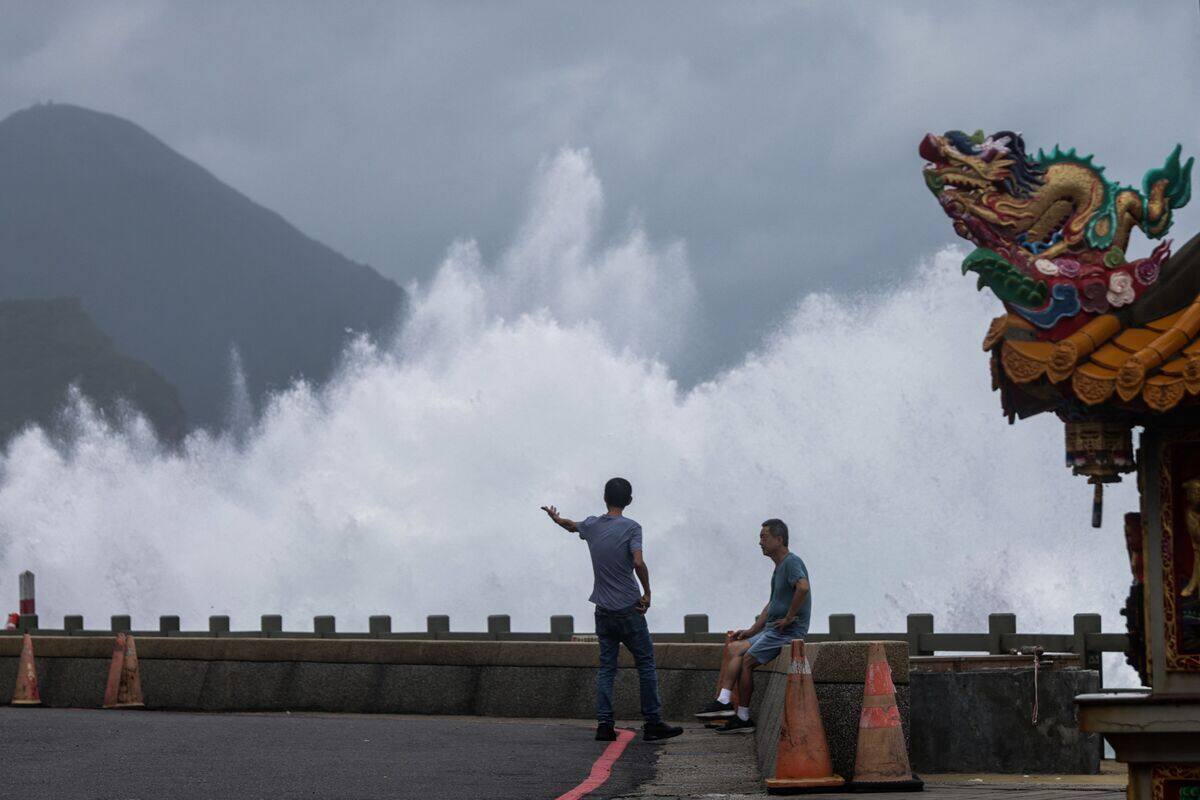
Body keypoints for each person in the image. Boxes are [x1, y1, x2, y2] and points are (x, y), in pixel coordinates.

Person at [541, 477, 684, 742]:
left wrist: (554, 518)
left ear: (604, 498)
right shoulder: (632, 528)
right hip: (628, 609)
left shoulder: (592, 525)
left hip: (603, 610)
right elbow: (639, 562)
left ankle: (605, 725)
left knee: (607, 668)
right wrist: (648, 593)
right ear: (629, 501)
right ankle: (653, 723)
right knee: (645, 663)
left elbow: (570, 526)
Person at [695, 518, 810, 733]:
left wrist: (788, 618)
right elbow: (771, 606)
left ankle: (742, 715)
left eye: (764, 537)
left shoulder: (792, 562)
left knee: (747, 661)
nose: (760, 542)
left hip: (786, 632)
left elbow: (802, 588)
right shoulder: (779, 567)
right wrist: (751, 630)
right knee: (735, 648)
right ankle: (724, 701)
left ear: (779, 539)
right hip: (772, 629)